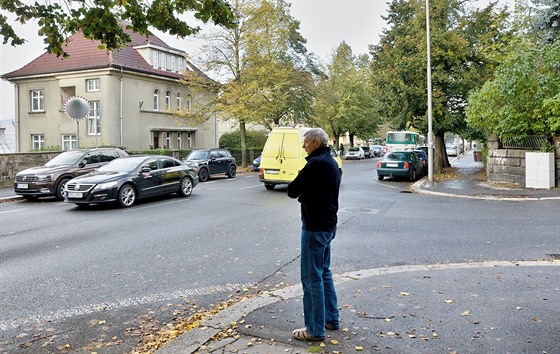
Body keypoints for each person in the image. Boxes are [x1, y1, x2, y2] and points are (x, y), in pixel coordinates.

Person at [287, 128, 341, 341]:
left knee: (311, 278)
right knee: (324, 273)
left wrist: (303, 193)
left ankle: (314, 329)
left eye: (306, 142)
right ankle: (331, 318)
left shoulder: (316, 164)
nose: (303, 146)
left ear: (316, 143)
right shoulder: (332, 163)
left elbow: (292, 190)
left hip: (314, 227)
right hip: (328, 225)